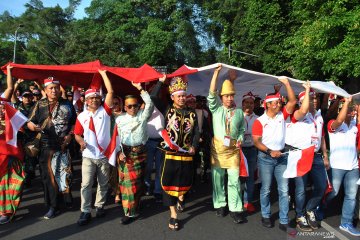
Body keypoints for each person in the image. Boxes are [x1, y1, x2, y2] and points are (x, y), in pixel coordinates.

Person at [151, 75, 199, 231]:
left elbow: (196, 132)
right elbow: (152, 96)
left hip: (186, 155)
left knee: (184, 182)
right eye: (179, 96)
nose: (182, 98)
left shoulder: (192, 113)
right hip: (169, 153)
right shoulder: (167, 109)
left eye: (184, 95)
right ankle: (173, 215)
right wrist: (160, 81)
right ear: (172, 97)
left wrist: (194, 145)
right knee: (168, 182)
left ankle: (181, 197)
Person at [27, 77, 76, 219]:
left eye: (56, 87)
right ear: (45, 90)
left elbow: (74, 123)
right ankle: (53, 206)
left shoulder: (67, 103)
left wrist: (70, 136)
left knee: (65, 174)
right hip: (46, 146)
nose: (54, 90)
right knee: (49, 177)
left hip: (64, 145)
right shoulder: (39, 104)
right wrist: (32, 126)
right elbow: (29, 122)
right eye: (51, 88)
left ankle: (66, 198)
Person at [252, 76, 297, 232]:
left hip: (282, 158)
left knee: (284, 189)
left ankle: (284, 219)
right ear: (268, 105)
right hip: (266, 159)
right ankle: (266, 215)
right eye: (276, 102)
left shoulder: (282, 116)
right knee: (266, 189)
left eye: (279, 102)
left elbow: (292, 101)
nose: (279, 104)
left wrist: (286, 83)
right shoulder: (259, 121)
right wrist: (270, 152)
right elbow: (257, 142)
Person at [285, 84, 329, 232]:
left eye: (314, 98)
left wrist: (325, 155)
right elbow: (304, 110)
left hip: (316, 156)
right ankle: (300, 215)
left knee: (321, 186)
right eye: (309, 99)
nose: (313, 101)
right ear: (302, 102)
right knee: (301, 189)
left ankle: (310, 209)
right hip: (300, 155)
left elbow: (321, 137)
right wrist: (308, 90)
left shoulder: (319, 116)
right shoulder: (297, 115)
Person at [74, 70, 114, 226]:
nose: (95, 100)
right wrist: (80, 142)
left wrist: (103, 74)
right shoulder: (81, 116)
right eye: (92, 98)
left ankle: (99, 206)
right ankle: (85, 211)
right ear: (86, 100)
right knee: (85, 184)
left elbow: (110, 91)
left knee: (103, 183)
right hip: (88, 156)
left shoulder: (105, 111)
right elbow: (77, 134)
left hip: (103, 155)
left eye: (97, 98)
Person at [208, 65, 246, 224]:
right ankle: (220, 204)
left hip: (232, 152)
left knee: (234, 181)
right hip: (217, 150)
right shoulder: (216, 109)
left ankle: (235, 208)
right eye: (226, 96)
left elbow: (243, 129)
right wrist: (216, 74)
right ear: (221, 97)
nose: (229, 98)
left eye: (232, 95)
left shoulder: (239, 112)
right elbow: (211, 94)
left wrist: (241, 138)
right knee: (217, 179)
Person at [115, 82, 154, 224]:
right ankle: (129, 213)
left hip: (141, 154)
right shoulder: (119, 119)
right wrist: (119, 151)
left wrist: (140, 88)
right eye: (129, 106)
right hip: (126, 155)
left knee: (138, 183)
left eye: (135, 105)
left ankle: (136, 204)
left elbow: (149, 103)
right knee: (128, 184)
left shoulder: (143, 116)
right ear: (125, 107)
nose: (133, 108)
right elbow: (117, 137)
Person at [325, 97, 360, 237]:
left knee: (351, 196)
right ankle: (318, 207)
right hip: (337, 166)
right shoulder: (332, 124)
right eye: (348, 109)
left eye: (352, 110)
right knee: (333, 193)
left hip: (353, 166)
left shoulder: (354, 126)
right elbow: (339, 121)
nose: (351, 112)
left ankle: (346, 223)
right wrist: (346, 102)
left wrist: (357, 107)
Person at [0, 65, 26, 224]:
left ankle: (7, 210)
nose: (1, 109)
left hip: (11, 156)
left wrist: (9, 70)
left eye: (2, 107)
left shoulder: (7, 108)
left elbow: (10, 87)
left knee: (11, 185)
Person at [241, 91, 259, 213]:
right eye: (247, 102)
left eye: (251, 103)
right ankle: (236, 200)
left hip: (252, 150)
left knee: (250, 177)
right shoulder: (237, 117)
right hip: (239, 150)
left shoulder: (258, 119)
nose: (249, 105)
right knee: (236, 176)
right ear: (242, 104)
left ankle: (248, 202)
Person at [109, 96, 123, 204]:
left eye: (116, 103)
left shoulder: (126, 115)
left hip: (123, 145)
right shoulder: (107, 116)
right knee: (112, 171)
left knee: (121, 170)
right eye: (112, 103)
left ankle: (120, 191)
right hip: (110, 146)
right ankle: (115, 190)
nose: (114, 106)